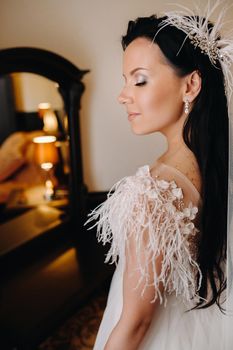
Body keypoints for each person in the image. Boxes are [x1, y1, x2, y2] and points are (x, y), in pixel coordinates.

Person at [86, 2, 233, 349]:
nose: (123, 96)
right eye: (126, 81)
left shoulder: (151, 191)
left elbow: (136, 322)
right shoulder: (214, 166)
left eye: (140, 80)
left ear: (191, 85)